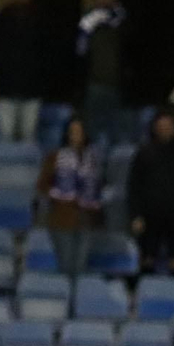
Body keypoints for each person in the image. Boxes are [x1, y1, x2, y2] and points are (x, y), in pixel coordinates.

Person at [129, 112, 174, 274]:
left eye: (168, 126)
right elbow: (134, 186)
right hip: (150, 215)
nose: (164, 130)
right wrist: (135, 215)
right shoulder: (144, 153)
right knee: (147, 260)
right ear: (155, 128)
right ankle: (145, 295)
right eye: (161, 127)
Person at [38, 117, 103, 277]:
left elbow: (99, 185)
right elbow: (42, 186)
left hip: (87, 219)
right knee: (66, 265)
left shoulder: (93, 159)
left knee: (80, 267)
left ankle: (77, 299)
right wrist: (60, 194)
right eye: (72, 132)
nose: (76, 135)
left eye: (79, 132)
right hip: (62, 218)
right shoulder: (55, 157)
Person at [0, 0, 41, 142]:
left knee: (29, 136)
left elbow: (46, 50)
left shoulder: (39, 17)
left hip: (32, 87)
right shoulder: (3, 16)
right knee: (6, 136)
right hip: (7, 84)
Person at [77, 0, 126, 146]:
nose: (105, 0)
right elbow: (80, 52)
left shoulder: (121, 21)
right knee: (92, 130)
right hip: (94, 84)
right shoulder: (87, 23)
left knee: (116, 132)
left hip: (116, 85)